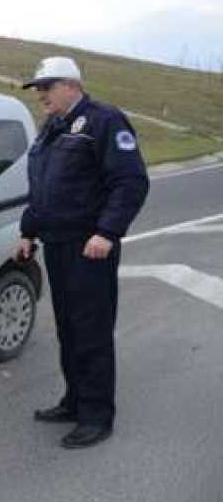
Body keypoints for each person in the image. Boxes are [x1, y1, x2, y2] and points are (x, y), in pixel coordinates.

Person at [16, 56, 149, 449]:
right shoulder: (51, 129)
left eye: (48, 85)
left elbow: (130, 182)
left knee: (90, 332)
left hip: (89, 248)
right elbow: (43, 189)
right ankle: (74, 401)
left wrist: (107, 232)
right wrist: (29, 231)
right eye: (37, 87)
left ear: (72, 85)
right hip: (57, 245)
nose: (40, 93)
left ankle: (96, 416)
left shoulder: (104, 121)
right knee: (68, 329)